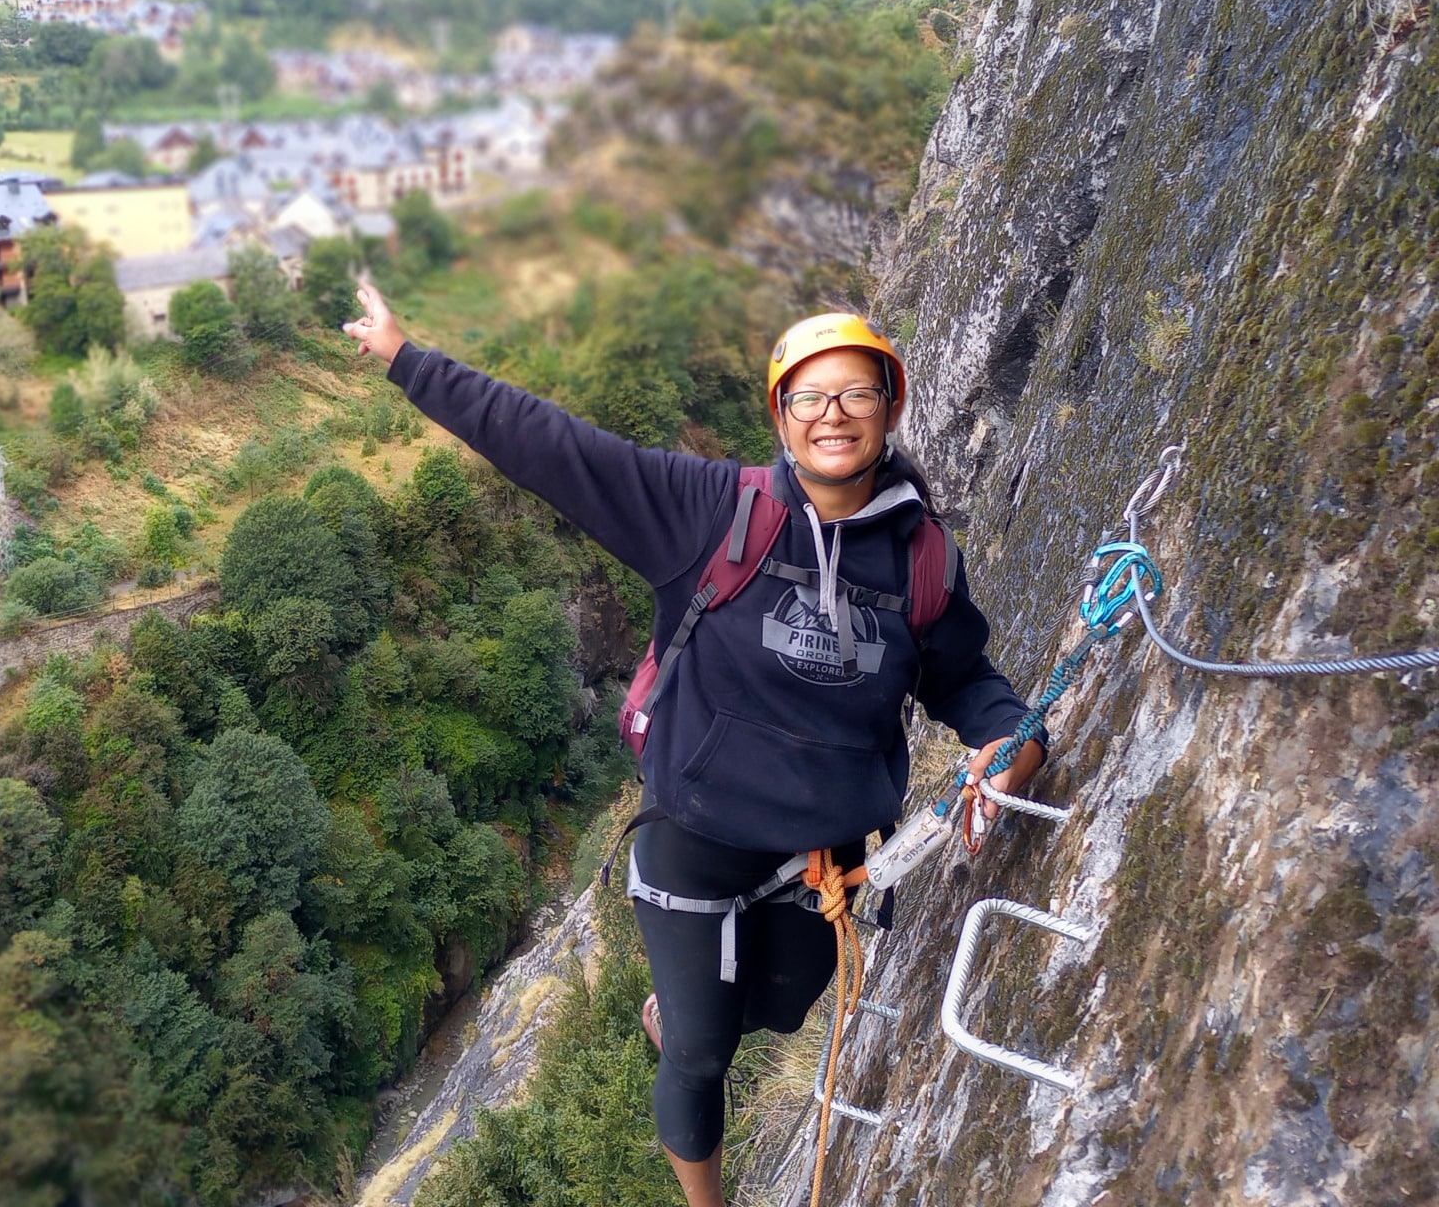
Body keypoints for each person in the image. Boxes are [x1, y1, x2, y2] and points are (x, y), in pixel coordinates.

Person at [344, 287, 1042, 1206]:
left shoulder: (924, 560)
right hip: (696, 835)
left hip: (822, 856)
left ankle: (687, 1006)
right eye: (809, 397)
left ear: (890, 406)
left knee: (782, 1006)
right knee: (701, 1052)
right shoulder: (712, 511)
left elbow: (964, 680)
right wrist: (408, 359)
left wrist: (1014, 741)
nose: (833, 415)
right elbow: (552, 447)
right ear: (782, 418)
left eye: (856, 394)